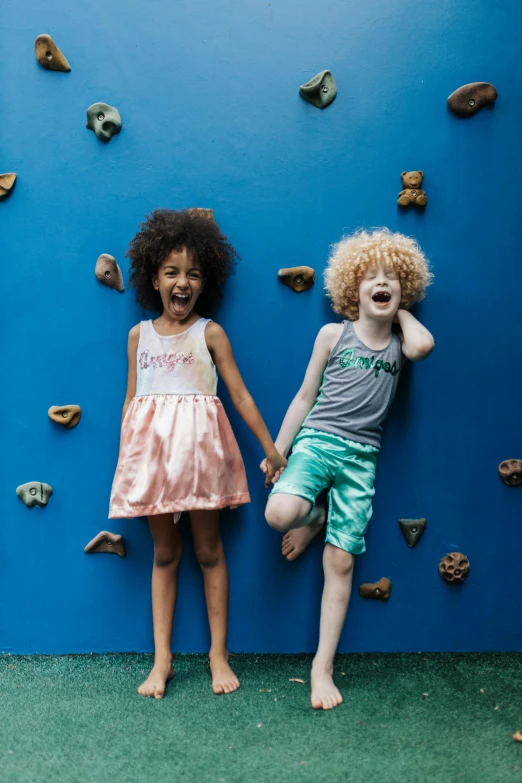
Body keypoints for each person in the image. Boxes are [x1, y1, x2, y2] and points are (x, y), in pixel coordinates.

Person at [109, 209, 286, 699]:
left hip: (201, 460)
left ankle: (218, 655)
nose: (182, 282)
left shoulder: (210, 333)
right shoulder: (137, 336)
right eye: (171, 272)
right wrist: (127, 462)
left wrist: (271, 449)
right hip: (153, 460)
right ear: (153, 278)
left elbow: (241, 395)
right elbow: (132, 401)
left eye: (192, 273)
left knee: (209, 551)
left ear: (205, 280)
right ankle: (161, 661)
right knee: (165, 553)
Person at [263, 228, 434, 710]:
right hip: (316, 442)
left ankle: (322, 667)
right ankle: (313, 517)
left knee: (340, 562)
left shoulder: (403, 342)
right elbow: (304, 395)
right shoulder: (332, 334)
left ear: (404, 292)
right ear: (351, 289)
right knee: (279, 514)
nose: (382, 283)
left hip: (362, 457)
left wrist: (400, 312)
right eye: (371, 278)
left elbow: (423, 347)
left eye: (392, 280)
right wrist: (280, 450)